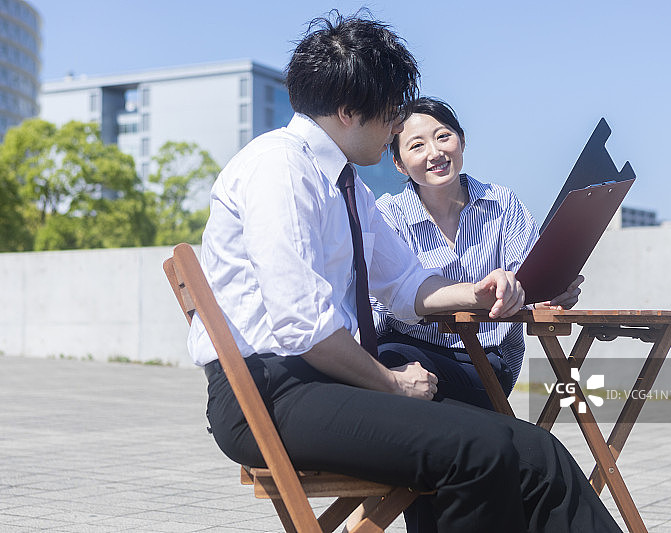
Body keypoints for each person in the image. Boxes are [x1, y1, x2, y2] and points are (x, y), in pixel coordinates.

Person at [187, 11, 621, 532]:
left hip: (318, 384)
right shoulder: (279, 170)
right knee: (480, 453)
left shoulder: (348, 187)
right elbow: (304, 325)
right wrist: (390, 383)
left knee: (536, 453)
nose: (397, 125)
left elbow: (409, 286)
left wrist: (481, 294)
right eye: (392, 113)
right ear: (349, 111)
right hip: (269, 396)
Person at [371, 97, 585, 530]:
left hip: (488, 361)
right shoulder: (387, 215)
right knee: (415, 397)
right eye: (416, 146)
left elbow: (530, 278)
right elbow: (377, 305)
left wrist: (546, 291)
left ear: (462, 142)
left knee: (424, 420)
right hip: (412, 356)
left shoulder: (501, 203)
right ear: (398, 163)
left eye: (443, 136)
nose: (434, 152)